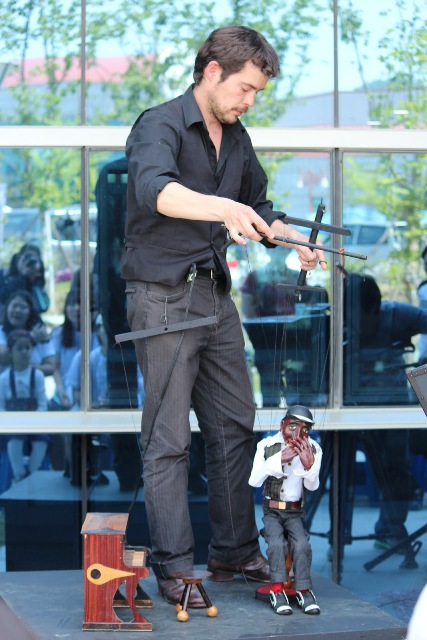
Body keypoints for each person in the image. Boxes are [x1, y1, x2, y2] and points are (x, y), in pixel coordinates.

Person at [122, 25, 326, 608]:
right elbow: (155, 191)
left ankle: (234, 551)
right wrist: (223, 207)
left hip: (213, 297)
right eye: (245, 88)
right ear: (211, 70)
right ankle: (175, 568)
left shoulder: (236, 137)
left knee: (236, 424)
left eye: (257, 92)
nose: (249, 100)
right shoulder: (158, 124)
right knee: (167, 442)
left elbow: (258, 208)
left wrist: (291, 241)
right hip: (161, 296)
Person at [343, 273, 427, 547]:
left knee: (396, 468)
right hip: (347, 409)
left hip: (392, 405)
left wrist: (424, 365)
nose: (352, 323)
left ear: (374, 310)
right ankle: (338, 538)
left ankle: (390, 530)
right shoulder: (337, 322)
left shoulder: (398, 315)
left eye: (358, 317)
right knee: (340, 471)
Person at [249, 405, 322, 615]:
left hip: (295, 511)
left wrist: (309, 467)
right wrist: (279, 458)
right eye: (293, 426)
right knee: (276, 545)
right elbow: (254, 480)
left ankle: (304, 590)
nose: (298, 434)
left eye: (305, 429)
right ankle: (277, 590)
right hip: (272, 510)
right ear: (282, 425)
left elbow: (312, 486)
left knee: (301, 545)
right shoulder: (267, 445)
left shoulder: (314, 448)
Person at [0, 329, 49, 483]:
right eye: (19, 348)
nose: (24, 352)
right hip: (13, 426)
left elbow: (42, 404)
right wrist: (11, 422)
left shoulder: (38, 376)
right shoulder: (4, 378)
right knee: (14, 440)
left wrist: (35, 421)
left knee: (42, 440)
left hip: (35, 424)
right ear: (10, 352)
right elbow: (1, 407)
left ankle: (33, 472)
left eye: (27, 348)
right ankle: (18, 475)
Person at [0, 289, 55, 378]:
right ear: (7, 308)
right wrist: (31, 338)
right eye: (14, 306)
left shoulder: (40, 333)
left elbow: (51, 367)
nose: (17, 310)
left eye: (23, 307)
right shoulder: (1, 331)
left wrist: (29, 369)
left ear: (30, 312)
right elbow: (3, 356)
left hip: (33, 389)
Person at [0, 243, 49, 322]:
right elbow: (3, 297)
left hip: (29, 326)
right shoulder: (4, 276)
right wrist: (22, 277)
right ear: (18, 259)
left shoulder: (36, 280)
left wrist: (33, 280)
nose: (29, 262)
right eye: (26, 257)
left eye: (33, 259)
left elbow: (42, 307)